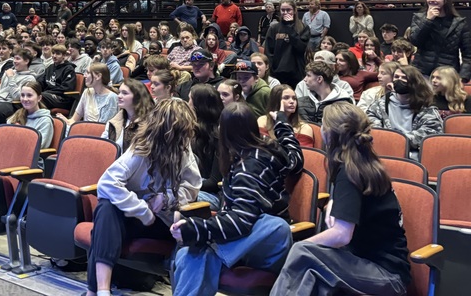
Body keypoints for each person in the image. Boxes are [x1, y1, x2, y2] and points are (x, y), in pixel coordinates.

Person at [269, 102, 410, 296]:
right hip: (367, 265)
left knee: (302, 251)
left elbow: (342, 235)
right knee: (314, 275)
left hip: (387, 276)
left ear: (331, 134)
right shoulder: (362, 161)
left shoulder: (350, 172)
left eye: (324, 126)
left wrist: (302, 245)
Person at [169, 102, 302, 296]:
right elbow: (295, 157)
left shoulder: (250, 167)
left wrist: (199, 229)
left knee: (271, 224)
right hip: (246, 242)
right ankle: (209, 250)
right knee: (188, 256)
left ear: (225, 133)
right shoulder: (265, 147)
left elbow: (241, 220)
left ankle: (210, 249)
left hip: (268, 243)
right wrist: (282, 122)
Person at [85, 99, 201, 296]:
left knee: (103, 221)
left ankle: (92, 292)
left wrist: (166, 198)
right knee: (105, 209)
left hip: (162, 221)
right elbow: (107, 183)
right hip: (138, 217)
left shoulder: (183, 148)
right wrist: (142, 210)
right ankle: (101, 291)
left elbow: (193, 187)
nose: (184, 139)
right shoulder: (141, 147)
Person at [366, 65, 443, 159]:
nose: (399, 80)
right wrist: (383, 136)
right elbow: (369, 118)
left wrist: (397, 140)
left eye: (404, 78)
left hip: (412, 153)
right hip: (382, 149)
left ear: (414, 82)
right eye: (396, 77)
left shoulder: (426, 107)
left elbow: (431, 132)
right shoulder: (383, 102)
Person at [409, 0, 471, 81]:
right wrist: (428, 20)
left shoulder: (459, 23)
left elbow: (468, 55)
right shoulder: (419, 18)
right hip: (422, 73)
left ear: (445, 0)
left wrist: (463, 77)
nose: (432, 0)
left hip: (447, 75)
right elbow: (415, 41)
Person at [188, 85, 224, 209]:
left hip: (212, 195)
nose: (187, 105)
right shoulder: (190, 131)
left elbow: (214, 182)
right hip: (193, 188)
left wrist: (184, 185)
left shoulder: (219, 137)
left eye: (190, 101)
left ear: (198, 107)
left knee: (170, 198)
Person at [56, 62, 118, 131]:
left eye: (88, 73)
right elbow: (74, 120)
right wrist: (65, 121)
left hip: (98, 136)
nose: (84, 76)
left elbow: (103, 129)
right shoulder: (87, 92)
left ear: (98, 76)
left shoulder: (112, 98)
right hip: (85, 130)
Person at [264, 0, 310, 87]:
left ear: (295, 10)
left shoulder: (303, 28)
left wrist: (290, 29)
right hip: (277, 72)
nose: (285, 13)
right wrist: (271, 69)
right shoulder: (274, 28)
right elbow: (268, 52)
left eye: (288, 10)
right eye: (283, 10)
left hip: (296, 72)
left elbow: (301, 48)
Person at [105, 79, 154, 152]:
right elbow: (103, 147)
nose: (119, 96)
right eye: (119, 92)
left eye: (124, 93)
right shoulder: (113, 122)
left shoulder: (150, 123)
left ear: (137, 97)